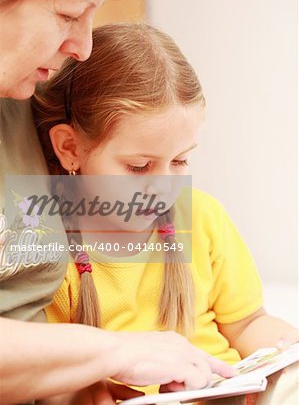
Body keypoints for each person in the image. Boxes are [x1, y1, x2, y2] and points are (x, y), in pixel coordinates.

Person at [0, 0, 234, 404]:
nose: (82, 47)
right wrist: (111, 355)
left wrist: (83, 383)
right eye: (68, 14)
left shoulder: (33, 90)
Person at [31, 23, 298, 404]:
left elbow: (249, 323)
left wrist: (285, 354)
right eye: (139, 166)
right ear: (70, 147)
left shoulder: (203, 218)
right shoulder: (46, 247)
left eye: (180, 159)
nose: (164, 185)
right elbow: (56, 371)